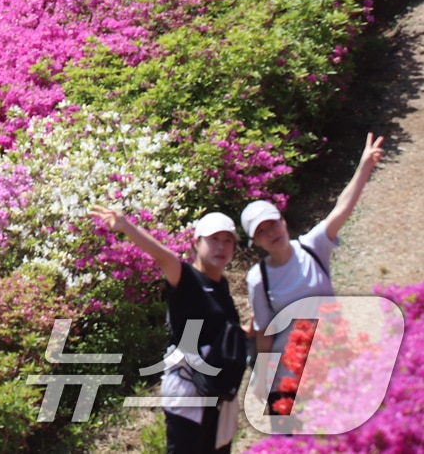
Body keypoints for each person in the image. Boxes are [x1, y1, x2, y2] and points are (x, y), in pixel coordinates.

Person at [91, 205, 244, 454]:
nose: (221, 247)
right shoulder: (185, 277)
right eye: (214, 239)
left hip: (217, 387)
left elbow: (222, 331)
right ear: (196, 243)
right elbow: (163, 256)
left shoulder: (222, 285)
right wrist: (126, 226)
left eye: (228, 241)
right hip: (189, 388)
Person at [242, 133, 385, 356]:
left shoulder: (312, 246)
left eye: (273, 224)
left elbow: (341, 208)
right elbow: (264, 332)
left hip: (333, 354)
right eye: (261, 231)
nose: (270, 232)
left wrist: (365, 166)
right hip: (291, 370)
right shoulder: (258, 278)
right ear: (257, 242)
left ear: (284, 221)